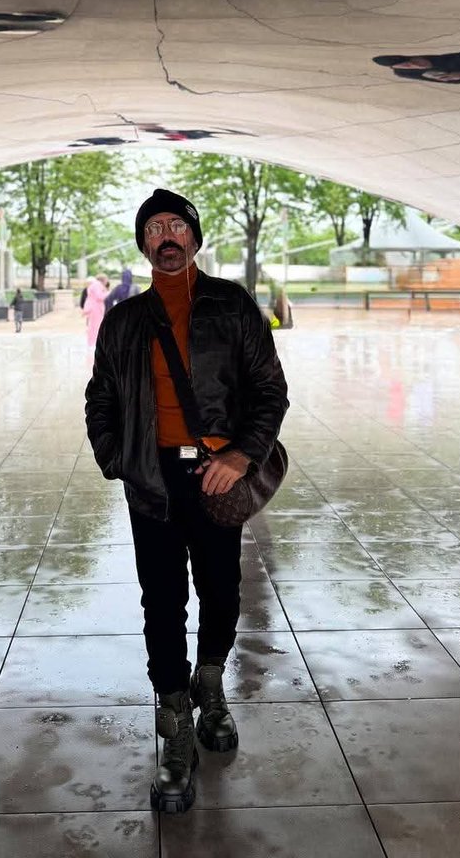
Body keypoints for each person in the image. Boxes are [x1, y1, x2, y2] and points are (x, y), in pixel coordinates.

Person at [85, 188, 288, 814]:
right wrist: (116, 458)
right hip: (152, 481)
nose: (167, 236)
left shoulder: (231, 304)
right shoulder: (125, 319)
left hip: (216, 477)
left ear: (195, 238)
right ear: (144, 243)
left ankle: (210, 684)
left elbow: (270, 390)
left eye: (178, 225)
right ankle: (174, 721)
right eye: (155, 228)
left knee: (222, 590)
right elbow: (101, 398)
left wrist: (240, 454)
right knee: (162, 600)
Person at [82, 274, 107, 348]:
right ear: (103, 280)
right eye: (106, 280)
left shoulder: (94, 285)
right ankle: (94, 344)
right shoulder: (97, 285)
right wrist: (108, 293)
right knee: (96, 326)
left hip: (93, 308)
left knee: (92, 325)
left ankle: (91, 343)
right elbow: (99, 297)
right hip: (96, 308)